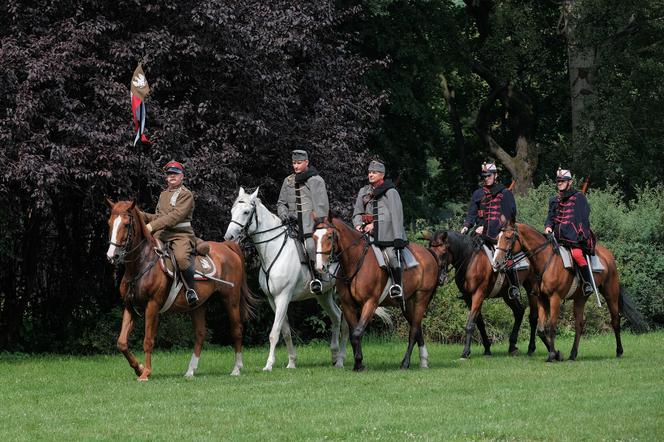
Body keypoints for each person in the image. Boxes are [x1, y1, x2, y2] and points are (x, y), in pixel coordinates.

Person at [142, 160, 199, 305]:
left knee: (180, 258)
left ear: (182, 176)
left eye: (175, 174)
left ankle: (190, 290)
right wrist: (140, 215)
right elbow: (159, 217)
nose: (172, 176)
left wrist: (150, 226)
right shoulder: (163, 195)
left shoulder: (186, 194)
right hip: (162, 233)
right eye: (169, 174)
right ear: (166, 177)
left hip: (181, 234)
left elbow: (174, 217)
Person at [461, 162, 520, 299]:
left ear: (495, 175)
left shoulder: (505, 193)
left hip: (499, 233)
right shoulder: (478, 193)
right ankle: (466, 286)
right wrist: (466, 226)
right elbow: (472, 215)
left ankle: (513, 287)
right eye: (484, 176)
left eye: (488, 175)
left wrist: (495, 228)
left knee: (508, 258)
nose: (486, 178)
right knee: (466, 255)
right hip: (480, 233)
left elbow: (511, 215)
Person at [352, 160, 407, 298]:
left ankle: (397, 285)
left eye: (374, 172)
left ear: (382, 175)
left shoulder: (391, 192)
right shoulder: (363, 191)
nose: (371, 175)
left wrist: (375, 226)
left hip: (386, 233)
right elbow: (357, 212)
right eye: (370, 172)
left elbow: (394, 215)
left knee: (391, 256)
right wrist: (358, 224)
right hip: (363, 231)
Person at [277, 149, 329, 294]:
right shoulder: (288, 181)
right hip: (290, 225)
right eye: (294, 163)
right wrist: (284, 215)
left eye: (299, 163)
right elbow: (281, 203)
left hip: (309, 226)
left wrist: (317, 225)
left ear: (306, 162)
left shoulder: (315, 180)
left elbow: (321, 206)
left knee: (311, 247)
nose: (296, 166)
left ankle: (317, 278)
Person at [544, 168, 595, 297]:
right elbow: (550, 217)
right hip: (556, 238)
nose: (559, 183)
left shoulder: (579, 197)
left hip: (573, 238)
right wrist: (548, 227)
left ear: (570, 182)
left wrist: (581, 232)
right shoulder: (554, 200)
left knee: (577, 255)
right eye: (558, 181)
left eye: (562, 181)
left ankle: (587, 283)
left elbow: (584, 217)